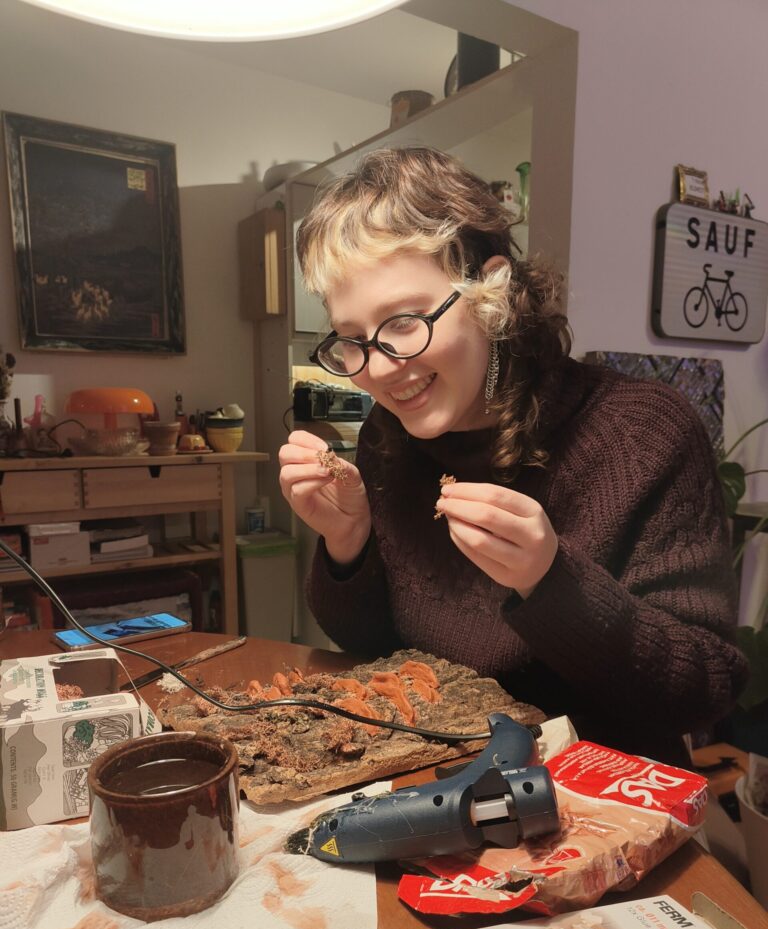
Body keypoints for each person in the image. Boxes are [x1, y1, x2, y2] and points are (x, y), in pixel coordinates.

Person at [278, 146, 746, 765]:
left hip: (603, 796)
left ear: (492, 289)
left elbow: (705, 688)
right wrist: (348, 542)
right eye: (352, 339)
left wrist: (551, 581)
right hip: (440, 781)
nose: (381, 369)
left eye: (405, 321)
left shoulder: (644, 433)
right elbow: (374, 651)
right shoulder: (386, 439)